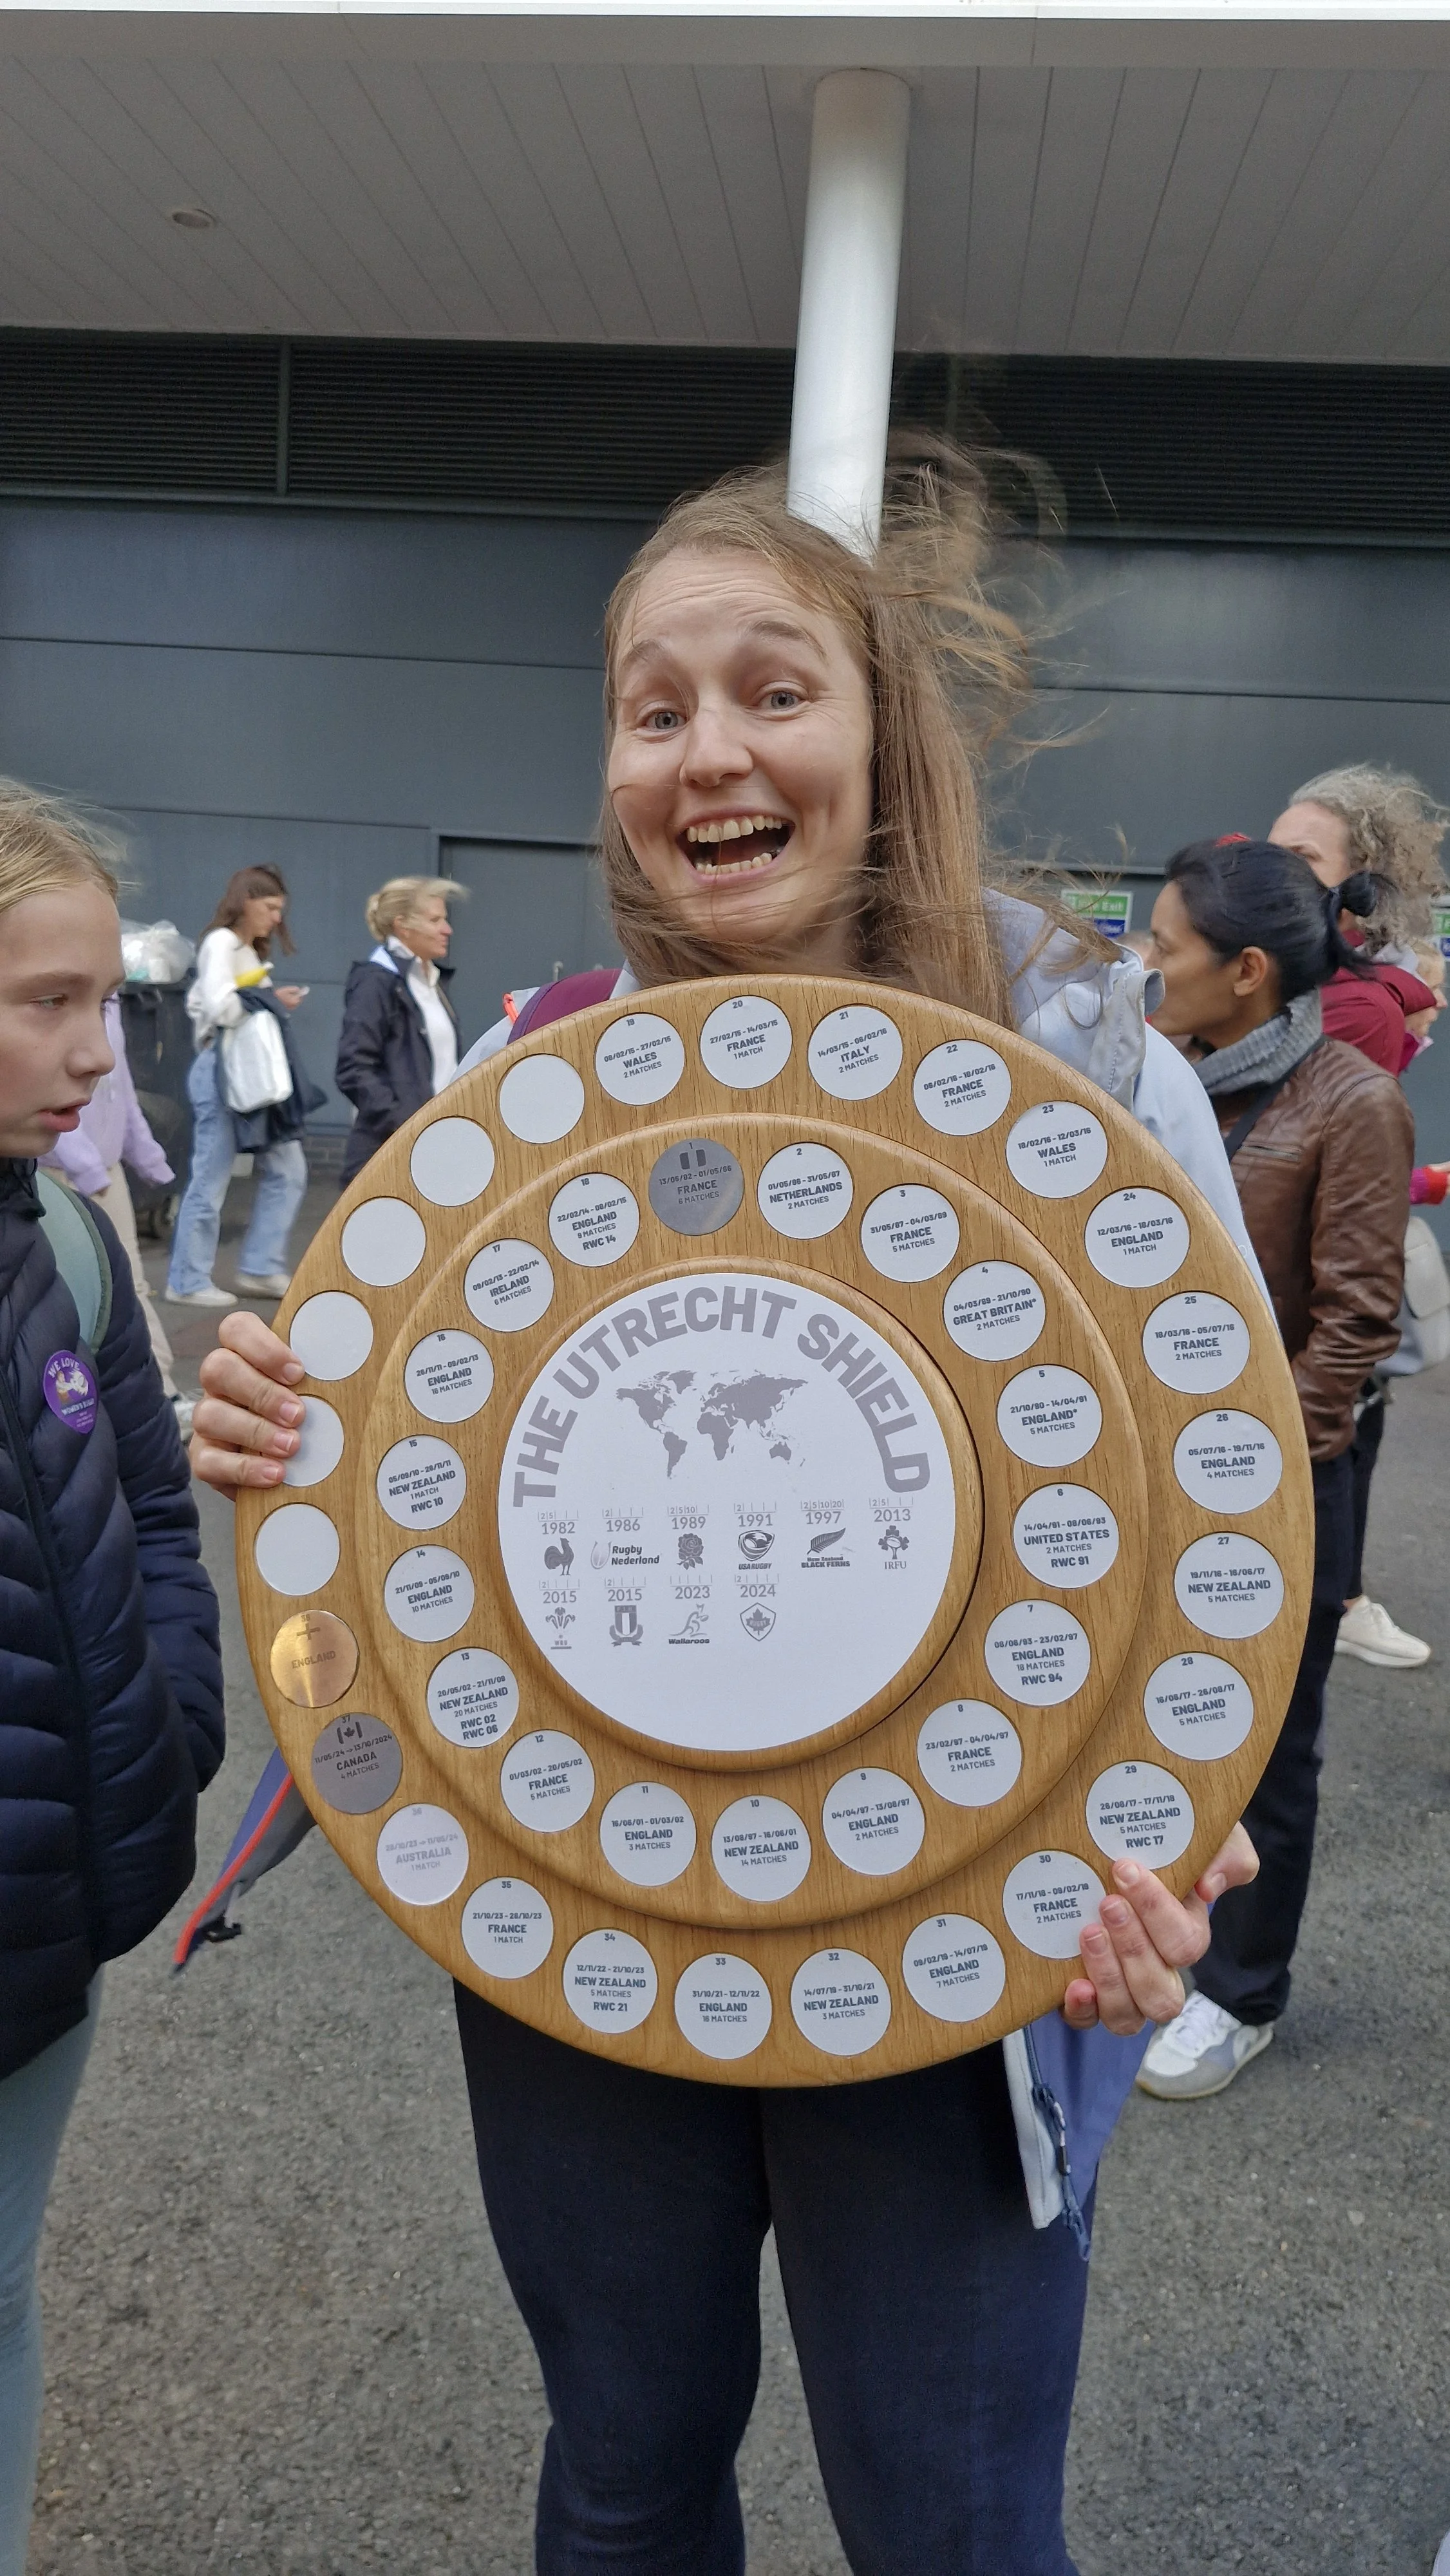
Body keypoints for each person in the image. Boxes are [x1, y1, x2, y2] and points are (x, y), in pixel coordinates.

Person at [190, 451, 1266, 2576]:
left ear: (881, 738)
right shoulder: (542, 1065)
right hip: (592, 1913)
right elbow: (426, 1493)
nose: (710, 751)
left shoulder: (1079, 1076)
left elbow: (1218, 1494)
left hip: (967, 1911)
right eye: (653, 704)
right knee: (620, 2478)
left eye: (772, 690)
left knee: (947, 2517)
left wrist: (1188, 1801)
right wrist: (284, 1420)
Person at [0, 780, 223, 2576]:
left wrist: (170, 1716)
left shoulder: (68, 1238)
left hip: (46, 1906)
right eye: (46, 1004)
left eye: (105, 1003)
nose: (99, 1059)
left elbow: (156, 1500)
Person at [1137, 838, 1411, 2103]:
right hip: (1148, 1480)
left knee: (1263, 1744)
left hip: (1282, 1487)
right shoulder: (1155, 1081)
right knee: (1147, 1722)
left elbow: (1353, 1326)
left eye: (1165, 946)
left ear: (1245, 971)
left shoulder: (1350, 1101)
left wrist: (1235, 1475)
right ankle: (1153, 1944)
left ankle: (1240, 1993)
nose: (1144, 965)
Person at [1271, 770, 1449, 1669]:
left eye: (1302, 855)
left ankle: (1339, 1602)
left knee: (1337, 1438)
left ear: (1358, 883)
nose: (1276, 868)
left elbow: (1310, 1159)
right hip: (1302, 1266)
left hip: (1310, 1280)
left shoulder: (1352, 1004)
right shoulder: (1328, 984)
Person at [39, 989, 193, 1439]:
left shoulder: (109, 1002)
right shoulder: (54, 999)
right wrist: (87, 1167)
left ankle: (160, 1393)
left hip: (107, 1172)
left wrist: (147, 1157)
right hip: (64, 1173)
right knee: (72, 1296)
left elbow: (121, 1090)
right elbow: (42, 1089)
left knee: (131, 1285)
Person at [165, 866, 309, 1308]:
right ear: (244, 901)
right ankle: (188, 1280)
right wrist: (268, 998)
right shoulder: (221, 943)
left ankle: (261, 1267)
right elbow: (222, 1008)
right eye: (269, 907)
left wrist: (266, 998)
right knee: (212, 1176)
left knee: (289, 1169)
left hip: (249, 1074)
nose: (275, 918)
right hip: (224, 1070)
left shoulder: (243, 949)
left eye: (280, 910)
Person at [334, 875, 464, 1187]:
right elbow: (353, 1069)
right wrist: (405, 1124)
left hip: (434, 1146)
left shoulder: (430, 982)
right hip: (390, 1152)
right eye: (435, 920)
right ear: (403, 926)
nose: (448, 930)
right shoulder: (377, 982)